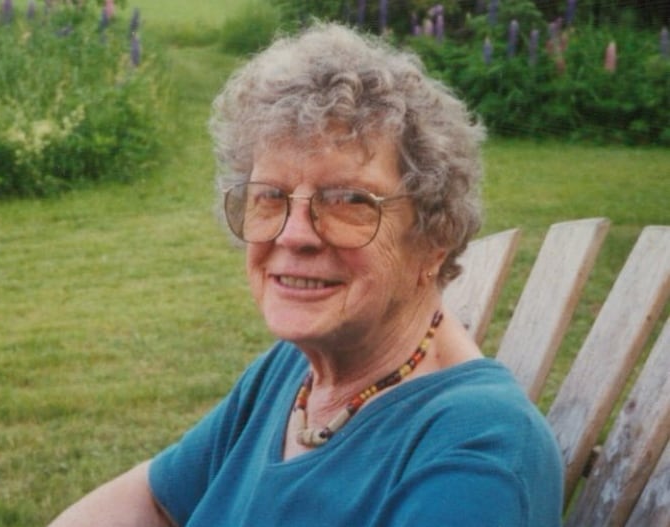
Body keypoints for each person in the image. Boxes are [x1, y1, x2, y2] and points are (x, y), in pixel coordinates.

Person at [49, 22, 563, 526]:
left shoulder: (476, 458)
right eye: (270, 197)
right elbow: (157, 503)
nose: (294, 234)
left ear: (434, 237)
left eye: (346, 201)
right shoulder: (290, 374)